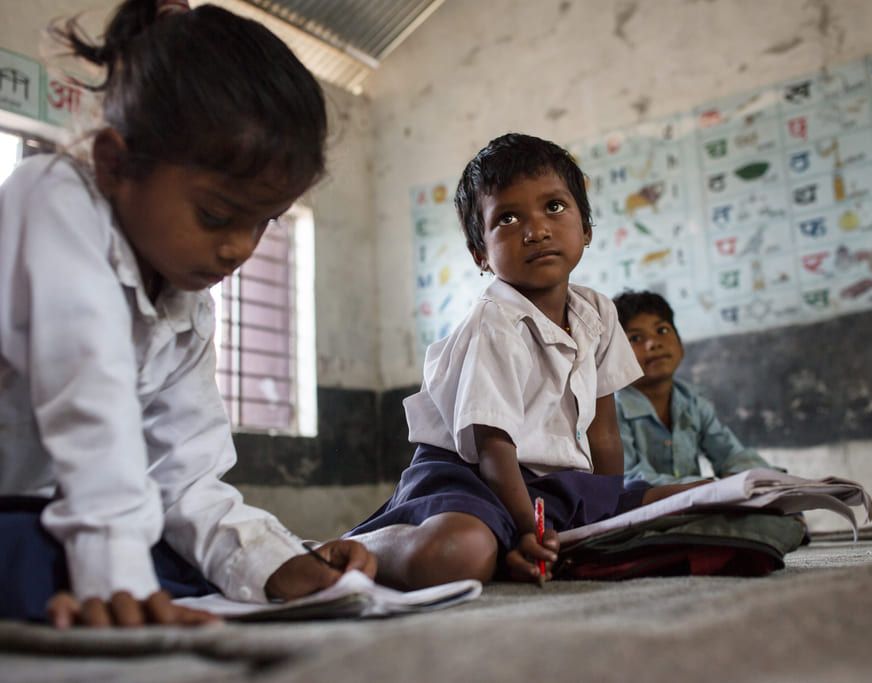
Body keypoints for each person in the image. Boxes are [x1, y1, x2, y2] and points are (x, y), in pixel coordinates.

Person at [0, 0, 374, 628]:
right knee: (67, 557)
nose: (239, 249)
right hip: (26, 512)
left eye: (264, 222)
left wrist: (276, 563)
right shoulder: (50, 197)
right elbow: (87, 394)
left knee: (181, 559)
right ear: (115, 164)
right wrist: (115, 579)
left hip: (52, 510)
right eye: (216, 216)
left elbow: (187, 474)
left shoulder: (187, 302)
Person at [345, 133, 704, 590]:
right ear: (481, 255)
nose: (536, 230)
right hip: (472, 479)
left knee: (697, 500)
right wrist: (525, 531)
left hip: (553, 484)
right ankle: (357, 546)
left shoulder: (598, 313)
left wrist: (605, 512)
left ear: (586, 227)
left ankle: (516, 548)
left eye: (554, 207)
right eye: (508, 218)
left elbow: (604, 430)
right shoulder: (494, 323)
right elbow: (495, 448)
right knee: (458, 554)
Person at [612, 290, 781, 486]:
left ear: (680, 344)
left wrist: (764, 479)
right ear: (615, 355)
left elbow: (731, 455)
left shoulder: (692, 401)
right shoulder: (612, 410)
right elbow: (629, 479)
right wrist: (701, 486)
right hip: (642, 513)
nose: (653, 344)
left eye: (662, 331)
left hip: (693, 506)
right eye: (635, 339)